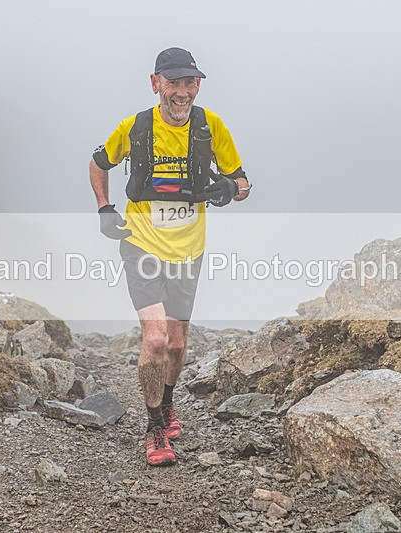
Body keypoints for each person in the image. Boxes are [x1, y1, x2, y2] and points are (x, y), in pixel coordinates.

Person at [89, 47, 251, 466]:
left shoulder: (210, 127)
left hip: (188, 251)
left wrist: (230, 190)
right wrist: (105, 209)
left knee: (177, 345)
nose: (182, 92)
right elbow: (98, 163)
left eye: (189, 83)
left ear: (198, 85)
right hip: (141, 243)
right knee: (157, 338)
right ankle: (154, 429)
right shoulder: (135, 128)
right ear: (155, 83)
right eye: (173, 82)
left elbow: (244, 181)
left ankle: (167, 400)